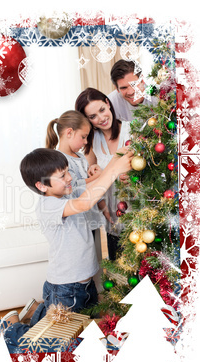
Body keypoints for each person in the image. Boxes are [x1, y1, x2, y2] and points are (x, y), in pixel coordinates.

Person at [2, 147, 133, 350]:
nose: (70, 177)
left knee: (78, 330)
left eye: (67, 171)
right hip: (66, 289)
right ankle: (12, 328)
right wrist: (115, 170)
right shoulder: (48, 206)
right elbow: (83, 204)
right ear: (42, 186)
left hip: (83, 285)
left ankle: (38, 311)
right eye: (62, 175)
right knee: (55, 345)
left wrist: (116, 160)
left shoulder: (65, 193)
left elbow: (94, 184)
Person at [75, 87, 130, 260]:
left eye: (102, 110)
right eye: (93, 117)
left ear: (108, 104)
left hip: (140, 211)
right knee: (119, 274)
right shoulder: (91, 141)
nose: (101, 119)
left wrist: (133, 175)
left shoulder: (132, 130)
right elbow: (92, 181)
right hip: (112, 216)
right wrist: (102, 206)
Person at [45, 109, 110, 231]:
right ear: (69, 132)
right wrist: (99, 176)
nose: (86, 142)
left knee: (98, 249)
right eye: (83, 137)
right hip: (79, 224)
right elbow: (74, 187)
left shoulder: (80, 157)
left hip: (93, 219)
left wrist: (104, 209)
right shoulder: (59, 160)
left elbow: (93, 186)